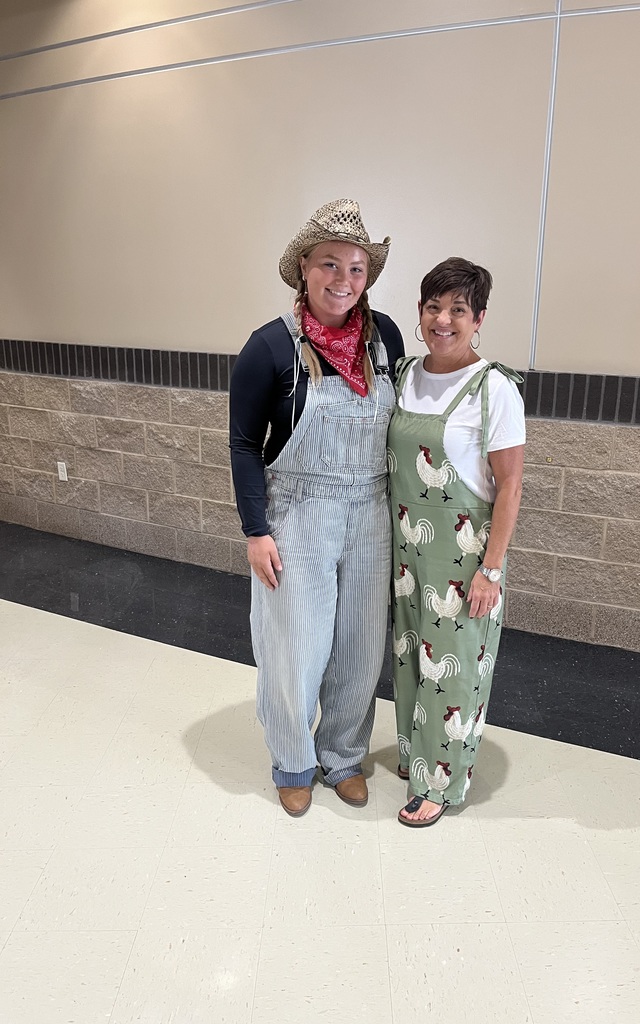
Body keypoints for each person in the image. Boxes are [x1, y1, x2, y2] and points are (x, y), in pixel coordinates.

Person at [229, 199, 404, 817]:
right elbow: (246, 443)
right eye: (330, 264)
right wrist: (256, 531)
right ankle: (293, 760)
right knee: (296, 643)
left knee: (360, 643)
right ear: (304, 267)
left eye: (356, 269)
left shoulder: (383, 337)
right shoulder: (270, 347)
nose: (343, 280)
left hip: (370, 512)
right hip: (298, 514)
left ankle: (342, 756)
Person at [388, 257, 525, 827]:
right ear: (419, 314)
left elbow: (511, 484)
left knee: (455, 670)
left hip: (463, 558)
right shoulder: (403, 375)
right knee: (411, 657)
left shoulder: (493, 390)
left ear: (479, 318)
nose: (444, 319)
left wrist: (490, 570)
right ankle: (414, 755)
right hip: (406, 553)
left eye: (458, 310)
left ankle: (439, 783)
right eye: (433, 307)